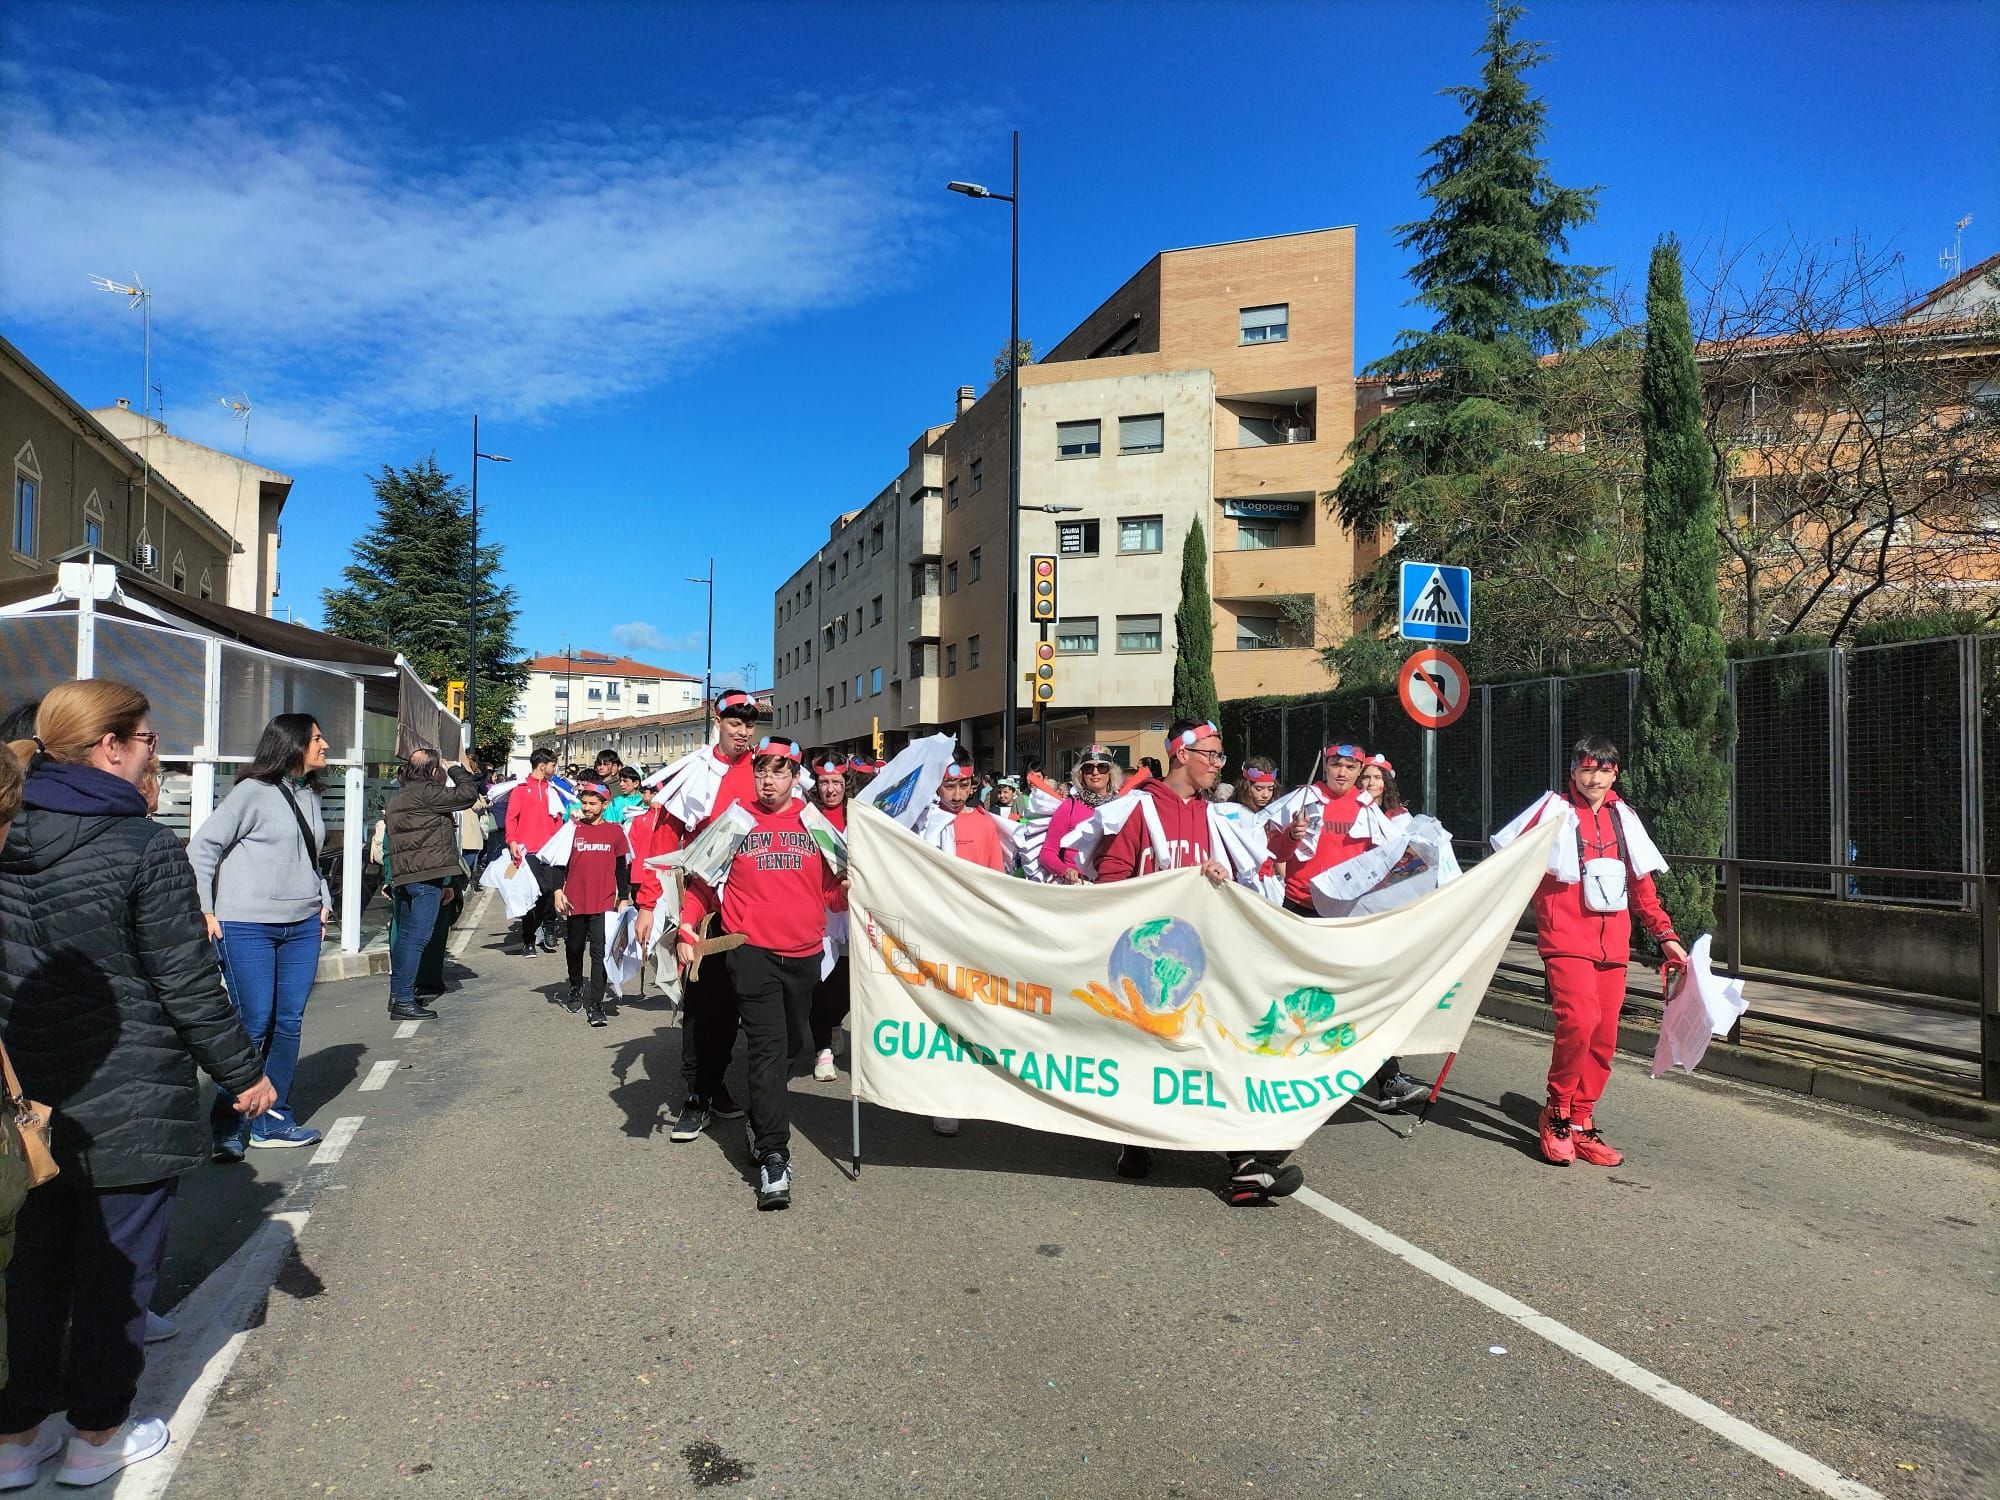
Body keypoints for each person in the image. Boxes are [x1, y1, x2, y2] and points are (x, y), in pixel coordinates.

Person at [0, 681, 275, 1490]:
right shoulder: (142, 845)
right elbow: (186, 981)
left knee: (31, 1267)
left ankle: (16, 1437)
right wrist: (243, 1073)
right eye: (151, 741)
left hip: (22, 1100)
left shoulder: (6, 827)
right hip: (128, 1091)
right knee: (117, 1273)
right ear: (109, 748)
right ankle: (96, 1437)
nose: (158, 754)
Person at [1095, 721, 1303, 1207]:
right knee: (1149, 1055)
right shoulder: (1139, 808)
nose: (1216, 764)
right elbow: (1110, 878)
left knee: (1216, 1048)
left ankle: (1245, 1165)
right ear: (1180, 755)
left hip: (1196, 957)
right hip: (1145, 962)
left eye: (1219, 756)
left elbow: (1249, 874)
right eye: (1209, 754)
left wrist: (1213, 877)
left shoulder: (1211, 816)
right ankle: (1137, 1141)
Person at [1492, 735, 1687, 1168]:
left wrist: (1665, 935)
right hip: (1565, 940)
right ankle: (1557, 1112)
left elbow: (1642, 886)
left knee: (1604, 1037)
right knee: (1578, 1023)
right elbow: (1511, 865)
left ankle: (1582, 1120)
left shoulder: (1624, 818)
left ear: (1615, 773)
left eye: (1604, 769)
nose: (1595, 777)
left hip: (1612, 945)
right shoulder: (1552, 813)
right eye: (1587, 768)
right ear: (1574, 771)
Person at [674, 738, 841, 1211]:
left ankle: (760, 1116)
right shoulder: (737, 820)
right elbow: (703, 883)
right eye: (762, 771)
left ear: (795, 777)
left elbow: (833, 894)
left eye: (780, 772)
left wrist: (851, 887)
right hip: (751, 954)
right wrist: (687, 926)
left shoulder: (815, 823)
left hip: (804, 954)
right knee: (767, 1050)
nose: (769, 780)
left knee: (789, 1045)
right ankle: (774, 1155)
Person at [187, 713, 334, 1155]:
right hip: (247, 924)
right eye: (317, 738)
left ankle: (273, 1121)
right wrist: (205, 910)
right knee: (254, 1022)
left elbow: (308, 856)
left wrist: (322, 897)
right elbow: (202, 848)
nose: (325, 745)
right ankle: (228, 1124)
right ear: (291, 745)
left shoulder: (309, 794)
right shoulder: (251, 792)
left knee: (288, 1023)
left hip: (303, 925)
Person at [661, 689, 763, 1142]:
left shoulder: (765, 772)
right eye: (734, 722)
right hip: (702, 907)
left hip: (754, 907)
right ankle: (697, 1095)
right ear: (717, 720)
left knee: (745, 1008)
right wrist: (648, 903)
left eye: (749, 724)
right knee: (703, 1006)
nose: (742, 731)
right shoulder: (695, 773)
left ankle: (716, 1082)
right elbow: (664, 839)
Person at [383, 745, 480, 1022]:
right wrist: (456, 769)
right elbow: (468, 795)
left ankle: (399, 993)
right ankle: (403, 1000)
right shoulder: (427, 792)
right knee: (417, 938)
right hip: (426, 876)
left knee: (406, 938)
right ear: (432, 770)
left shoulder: (401, 796)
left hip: (407, 875)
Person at [553, 784, 632, 1027]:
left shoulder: (615, 832)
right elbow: (557, 863)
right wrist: (558, 891)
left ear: (605, 805)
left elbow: (621, 867)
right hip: (574, 902)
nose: (587, 808)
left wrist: (624, 897)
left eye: (592, 804)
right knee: (574, 948)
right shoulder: (572, 830)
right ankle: (575, 986)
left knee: (600, 953)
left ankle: (596, 1004)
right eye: (584, 803)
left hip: (604, 901)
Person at [805, 755, 851, 1082]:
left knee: (847, 985)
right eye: (824, 782)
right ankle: (822, 1049)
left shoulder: (860, 817)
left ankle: (834, 1023)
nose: (830, 789)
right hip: (817, 907)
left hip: (851, 908)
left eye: (836, 782)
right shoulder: (808, 818)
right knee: (821, 983)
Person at [505, 748, 565, 955]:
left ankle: (549, 925)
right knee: (530, 895)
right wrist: (512, 841)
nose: (554, 769)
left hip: (550, 851)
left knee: (549, 890)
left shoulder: (553, 790)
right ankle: (528, 938)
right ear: (542, 765)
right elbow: (511, 817)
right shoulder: (521, 789)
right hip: (527, 850)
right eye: (553, 765)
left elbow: (558, 819)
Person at [1039, 745, 1122, 884]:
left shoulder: (1123, 806)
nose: (1095, 772)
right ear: (1081, 774)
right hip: (1078, 885)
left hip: (1114, 885)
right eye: (1088, 768)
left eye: (1102, 767)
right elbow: (1048, 852)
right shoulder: (1068, 807)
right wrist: (1065, 870)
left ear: (1110, 773)